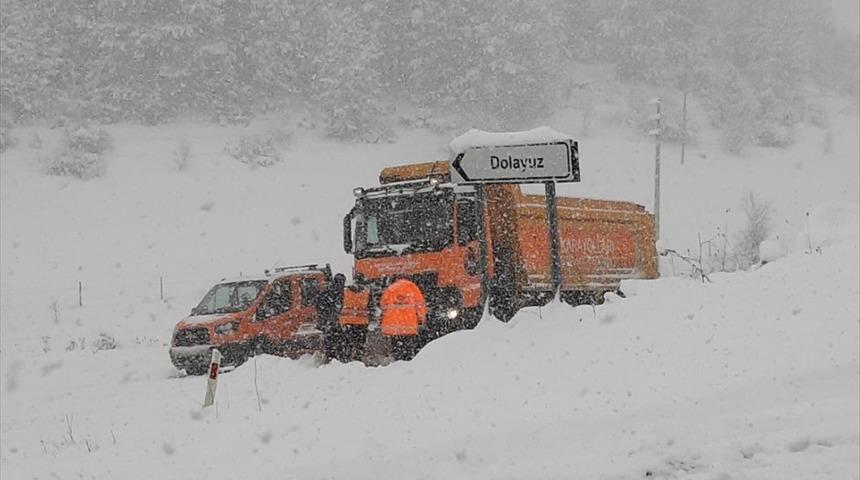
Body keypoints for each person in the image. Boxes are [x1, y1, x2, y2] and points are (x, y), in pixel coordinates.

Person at [315, 273, 346, 359]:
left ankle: (331, 358)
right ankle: (337, 358)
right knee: (339, 342)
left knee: (329, 342)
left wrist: (323, 318)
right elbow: (339, 307)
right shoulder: (341, 292)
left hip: (327, 322)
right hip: (335, 322)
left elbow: (319, 306)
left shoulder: (327, 291)